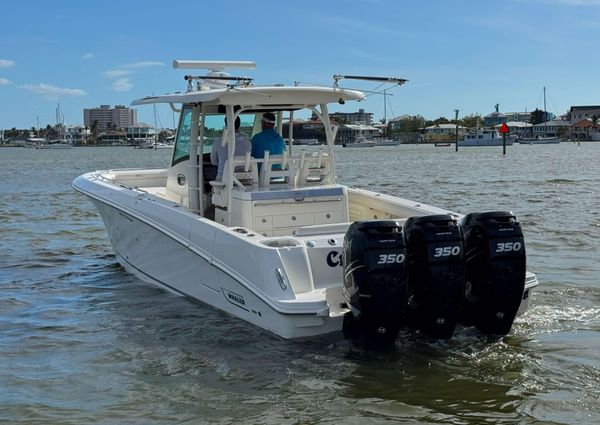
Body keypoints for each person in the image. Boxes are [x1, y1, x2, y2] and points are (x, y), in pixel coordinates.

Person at [210, 116, 251, 180]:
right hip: (242, 180)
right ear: (239, 126)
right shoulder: (248, 143)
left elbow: (214, 162)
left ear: (226, 125)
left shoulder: (217, 142)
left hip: (223, 179)